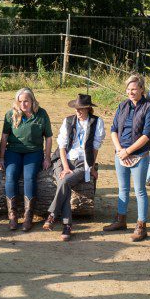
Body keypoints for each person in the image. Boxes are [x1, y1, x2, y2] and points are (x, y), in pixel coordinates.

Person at [103, 75, 150, 241]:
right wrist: (120, 150)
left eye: (134, 89)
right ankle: (121, 220)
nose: (130, 92)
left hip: (139, 155)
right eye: (128, 89)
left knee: (140, 191)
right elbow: (113, 129)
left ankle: (141, 226)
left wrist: (129, 151)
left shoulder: (149, 107)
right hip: (120, 153)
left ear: (142, 89)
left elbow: (147, 135)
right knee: (123, 188)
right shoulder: (123, 105)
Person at [44, 94, 103, 241]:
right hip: (63, 160)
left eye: (81, 109)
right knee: (65, 182)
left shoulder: (97, 122)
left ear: (89, 108)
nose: (78, 111)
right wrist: (65, 167)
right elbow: (62, 146)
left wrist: (92, 167)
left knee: (64, 183)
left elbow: (95, 148)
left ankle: (52, 215)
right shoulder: (68, 121)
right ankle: (67, 226)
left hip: (83, 162)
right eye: (77, 109)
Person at [0, 87, 53, 232]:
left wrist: (47, 157)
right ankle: (12, 216)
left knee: (29, 177)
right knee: (10, 176)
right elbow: (4, 137)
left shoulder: (41, 114)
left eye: (26, 101)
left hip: (34, 152)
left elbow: (49, 138)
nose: (23, 104)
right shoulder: (11, 115)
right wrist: (1, 158)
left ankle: (28, 216)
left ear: (32, 100)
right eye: (20, 101)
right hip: (13, 151)